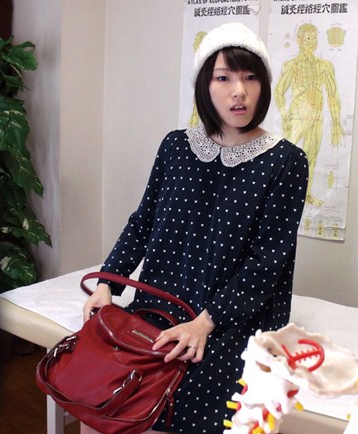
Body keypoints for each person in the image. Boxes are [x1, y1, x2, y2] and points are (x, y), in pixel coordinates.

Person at [82, 22, 309, 434]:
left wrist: (206, 322)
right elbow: (143, 222)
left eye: (250, 77)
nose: (239, 91)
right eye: (224, 78)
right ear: (204, 85)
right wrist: (107, 283)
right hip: (162, 303)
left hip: (231, 318)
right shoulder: (175, 146)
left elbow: (267, 262)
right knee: (109, 388)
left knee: (187, 399)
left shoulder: (286, 162)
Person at [274, 23, 343, 207]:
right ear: (299, 40)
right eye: (307, 39)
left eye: (314, 38)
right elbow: (279, 91)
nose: (312, 42)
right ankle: (279, 195)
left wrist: (336, 124)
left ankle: (306, 195)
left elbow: (333, 95)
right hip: (297, 117)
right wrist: (284, 115)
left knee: (311, 158)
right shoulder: (292, 65)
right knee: (286, 157)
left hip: (316, 117)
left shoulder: (324, 66)